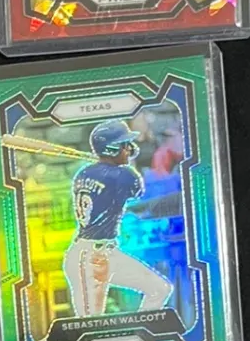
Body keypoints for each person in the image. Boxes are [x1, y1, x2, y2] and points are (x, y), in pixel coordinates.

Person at [61, 120, 175, 318]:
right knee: (91, 324)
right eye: (124, 145)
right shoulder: (124, 176)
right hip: (89, 258)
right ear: (112, 149)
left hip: (105, 253)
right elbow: (136, 190)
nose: (130, 149)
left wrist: (109, 163)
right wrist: (118, 164)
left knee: (160, 289)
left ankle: (139, 330)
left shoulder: (83, 173)